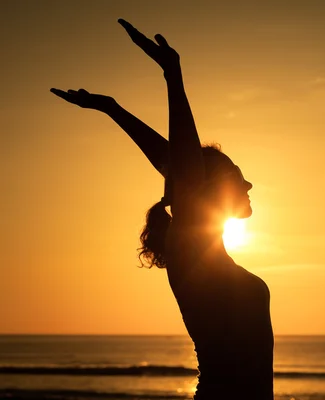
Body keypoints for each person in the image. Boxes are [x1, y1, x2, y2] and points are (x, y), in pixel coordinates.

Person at [51, 19, 274, 400]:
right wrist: (173, 76)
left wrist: (113, 109)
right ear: (205, 192)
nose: (249, 185)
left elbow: (176, 164)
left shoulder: (206, 254)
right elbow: (183, 166)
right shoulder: (191, 249)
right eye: (239, 177)